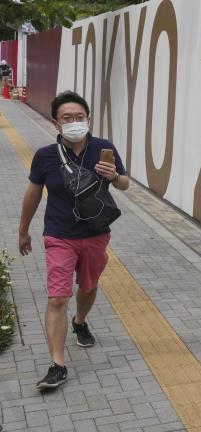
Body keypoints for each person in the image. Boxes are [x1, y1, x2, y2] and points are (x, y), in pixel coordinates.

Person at [18, 90, 129, 390]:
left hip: (95, 234)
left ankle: (80, 321)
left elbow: (125, 184)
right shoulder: (45, 156)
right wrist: (23, 229)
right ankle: (58, 364)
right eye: (67, 118)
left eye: (80, 117)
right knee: (57, 298)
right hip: (59, 234)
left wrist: (115, 176)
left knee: (89, 286)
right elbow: (33, 193)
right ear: (56, 123)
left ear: (88, 119)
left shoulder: (104, 148)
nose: (74, 122)